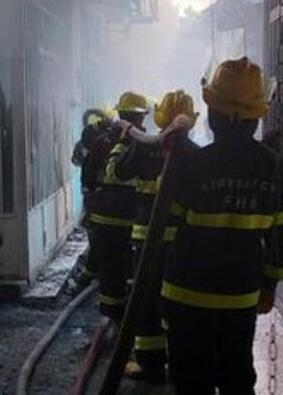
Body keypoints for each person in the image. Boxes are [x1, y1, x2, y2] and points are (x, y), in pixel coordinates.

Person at [162, 58, 283, 395]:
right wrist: (270, 284)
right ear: (256, 117)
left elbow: (166, 232)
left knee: (192, 382)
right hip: (240, 297)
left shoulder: (193, 165)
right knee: (237, 377)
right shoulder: (274, 168)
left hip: (186, 296)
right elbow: (281, 238)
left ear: (214, 115)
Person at [106, 90, 199, 382]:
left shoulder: (144, 146)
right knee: (178, 302)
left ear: (159, 118)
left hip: (147, 239)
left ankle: (150, 362)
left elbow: (116, 173)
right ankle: (179, 362)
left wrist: (122, 142)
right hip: (182, 242)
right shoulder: (195, 154)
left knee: (146, 300)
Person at [84, 91, 150, 321]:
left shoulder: (101, 142)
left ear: (120, 114)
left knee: (110, 269)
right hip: (135, 218)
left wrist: (91, 208)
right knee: (133, 267)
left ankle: (112, 317)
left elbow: (88, 179)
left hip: (105, 217)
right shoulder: (144, 144)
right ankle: (132, 314)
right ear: (140, 117)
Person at [72, 109, 113, 284]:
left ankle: (95, 268)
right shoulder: (112, 141)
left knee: (95, 229)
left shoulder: (87, 142)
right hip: (107, 194)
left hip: (94, 193)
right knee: (102, 230)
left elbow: (77, 161)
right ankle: (99, 267)